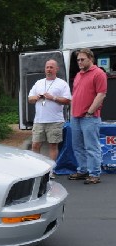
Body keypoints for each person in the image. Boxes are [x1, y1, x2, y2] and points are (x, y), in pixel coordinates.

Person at [68, 48, 107, 185]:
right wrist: (72, 111)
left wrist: (90, 112)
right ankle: (83, 170)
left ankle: (94, 174)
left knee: (91, 147)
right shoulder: (79, 74)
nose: (79, 62)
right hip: (76, 117)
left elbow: (101, 94)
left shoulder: (99, 73)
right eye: (78, 59)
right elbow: (75, 95)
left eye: (82, 59)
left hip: (89, 117)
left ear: (91, 59)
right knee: (77, 146)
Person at [27, 59, 72, 178]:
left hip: (55, 120)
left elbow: (67, 101)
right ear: (45, 69)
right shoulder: (39, 83)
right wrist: (36, 97)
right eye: (47, 67)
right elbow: (29, 99)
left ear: (57, 69)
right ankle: (37, 169)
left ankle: (51, 171)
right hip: (39, 120)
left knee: (53, 145)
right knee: (35, 145)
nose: (49, 69)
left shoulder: (62, 83)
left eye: (52, 67)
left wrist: (53, 98)